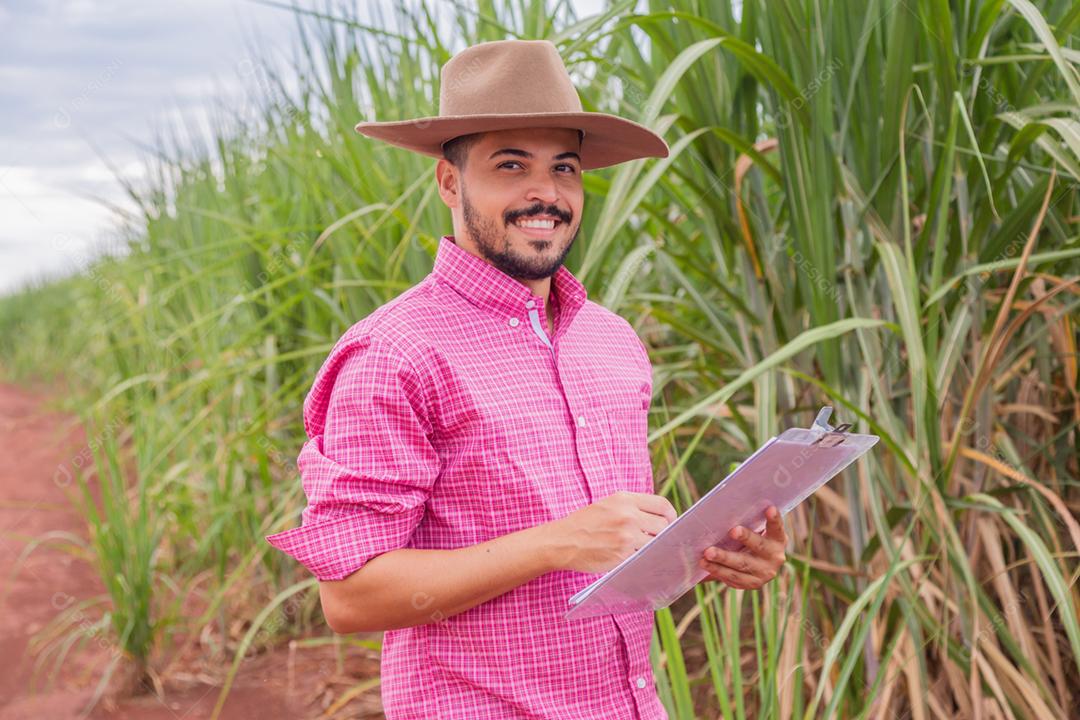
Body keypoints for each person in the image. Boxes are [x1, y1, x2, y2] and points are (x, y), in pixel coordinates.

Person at [266, 38, 786, 720]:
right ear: (449, 182)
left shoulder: (612, 341)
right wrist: (556, 544)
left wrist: (718, 555)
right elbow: (351, 596)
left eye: (563, 167)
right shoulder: (394, 354)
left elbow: (611, 554)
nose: (546, 193)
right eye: (511, 165)